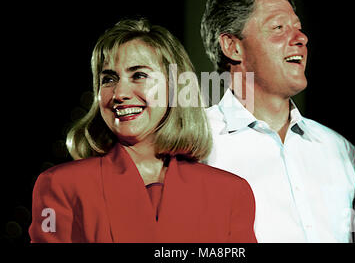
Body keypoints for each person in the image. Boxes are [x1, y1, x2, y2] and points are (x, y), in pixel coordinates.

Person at [29, 18, 257, 243]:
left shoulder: (230, 193)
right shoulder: (60, 186)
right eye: (108, 79)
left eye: (139, 75)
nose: (119, 93)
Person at [200, 0, 355, 243]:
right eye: (278, 27)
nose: (301, 38)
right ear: (233, 46)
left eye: (298, 28)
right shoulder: (195, 145)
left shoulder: (340, 150)